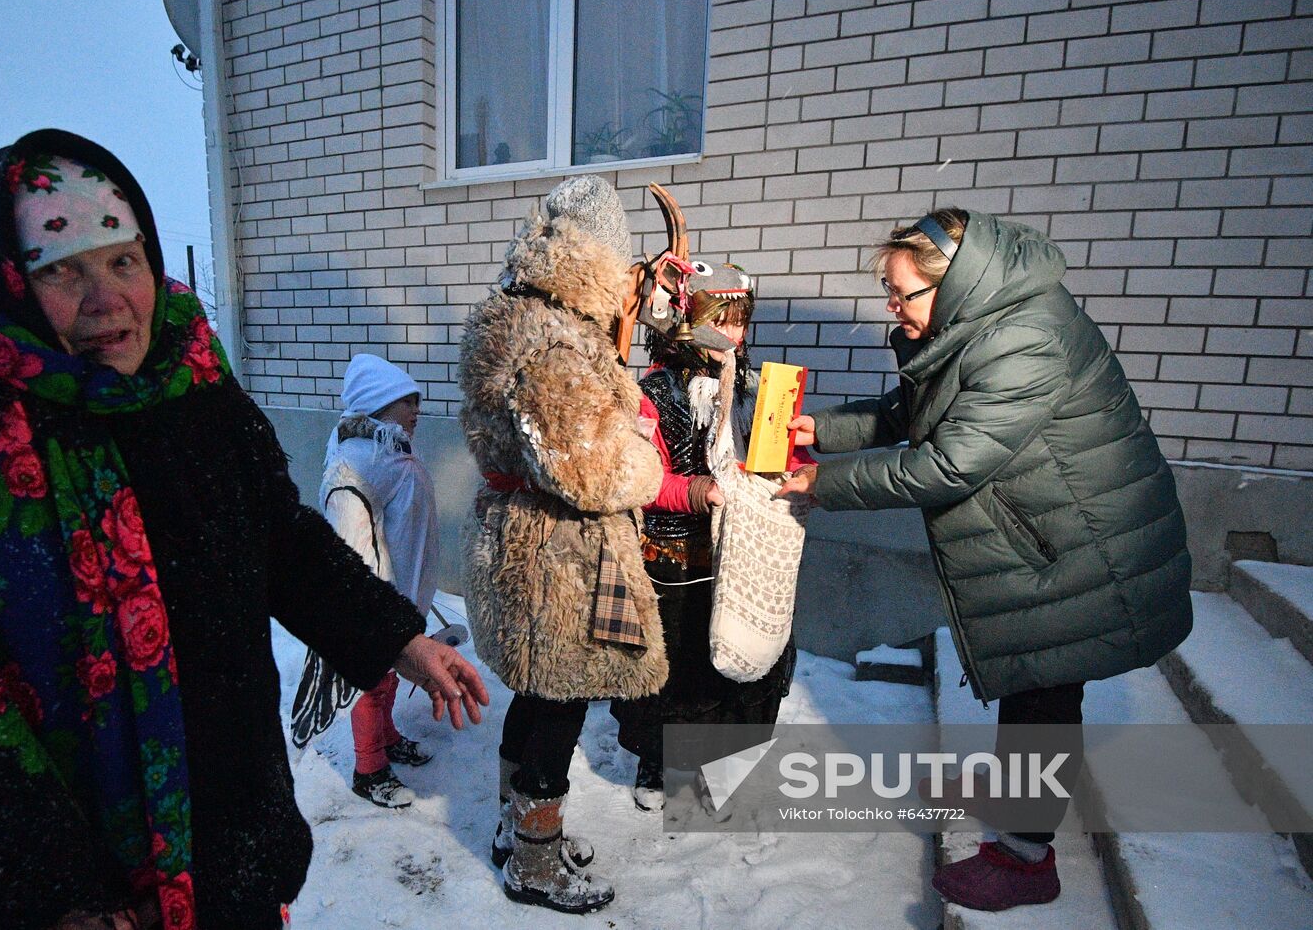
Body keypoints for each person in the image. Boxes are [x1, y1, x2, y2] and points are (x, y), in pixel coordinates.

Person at [0, 129, 487, 930]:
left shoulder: (194, 387)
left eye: (122, 260)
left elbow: (280, 539)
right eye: (61, 270)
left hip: (230, 850)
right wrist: (44, 899)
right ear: (6, 283)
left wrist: (400, 638)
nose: (106, 297)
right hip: (84, 898)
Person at [777, 208, 1192, 912]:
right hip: (1049, 531)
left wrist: (827, 483)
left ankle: (1028, 859)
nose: (890, 305)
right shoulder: (979, 325)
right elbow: (918, 410)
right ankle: (1013, 795)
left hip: (1084, 545)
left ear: (954, 285)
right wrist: (829, 429)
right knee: (1033, 683)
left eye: (901, 293)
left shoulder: (1025, 338)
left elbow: (947, 462)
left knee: (1045, 690)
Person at [459, 175, 668, 914]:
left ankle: (516, 829)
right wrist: (644, 454)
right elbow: (589, 465)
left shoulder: (523, 317)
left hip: (533, 544)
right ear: (598, 260)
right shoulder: (553, 339)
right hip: (560, 560)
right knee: (558, 704)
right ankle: (536, 863)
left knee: (537, 693)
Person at [612, 261, 811, 814]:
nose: (735, 334)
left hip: (741, 555)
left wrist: (798, 468)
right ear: (689, 319)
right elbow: (641, 481)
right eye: (723, 320)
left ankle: (727, 765)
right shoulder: (650, 392)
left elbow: (780, 456)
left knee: (737, 670)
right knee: (675, 672)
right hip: (674, 559)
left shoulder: (759, 388)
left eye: (742, 321)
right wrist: (698, 492)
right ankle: (658, 759)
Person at [289, 354, 440, 809]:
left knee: (390, 673)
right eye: (407, 403)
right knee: (370, 680)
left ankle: (388, 738)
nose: (416, 412)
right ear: (379, 404)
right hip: (376, 597)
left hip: (403, 595)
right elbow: (347, 542)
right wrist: (364, 609)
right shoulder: (353, 466)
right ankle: (368, 768)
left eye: (417, 402)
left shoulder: (388, 453)